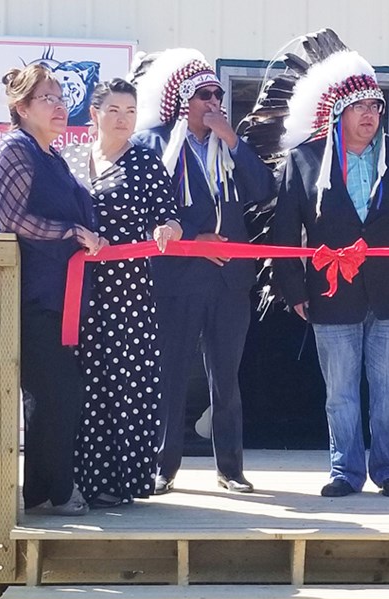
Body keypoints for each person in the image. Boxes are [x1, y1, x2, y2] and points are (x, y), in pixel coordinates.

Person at [272, 50, 389, 498]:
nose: (369, 115)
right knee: (340, 392)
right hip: (329, 291)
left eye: (375, 106)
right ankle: (345, 472)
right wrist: (295, 288)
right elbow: (286, 231)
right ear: (339, 112)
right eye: (359, 106)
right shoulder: (305, 159)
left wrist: (388, 260)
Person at [130, 49, 273, 494]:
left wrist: (232, 139)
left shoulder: (230, 141)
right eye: (204, 95)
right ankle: (163, 466)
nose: (215, 101)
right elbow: (148, 209)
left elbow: (264, 189)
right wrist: (195, 240)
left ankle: (230, 468)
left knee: (226, 377)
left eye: (218, 94)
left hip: (230, 278)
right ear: (181, 102)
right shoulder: (152, 143)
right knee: (170, 372)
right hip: (177, 277)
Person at [0, 64, 108, 516]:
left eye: (61, 98)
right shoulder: (15, 151)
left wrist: (91, 234)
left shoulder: (52, 154)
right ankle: (56, 490)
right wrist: (72, 232)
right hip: (29, 295)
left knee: (52, 393)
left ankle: (39, 491)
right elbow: (12, 218)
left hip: (61, 294)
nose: (60, 106)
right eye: (48, 99)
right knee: (60, 390)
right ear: (21, 108)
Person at [61, 79, 183, 508]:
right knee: (80, 384)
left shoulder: (147, 162)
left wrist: (167, 229)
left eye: (130, 111)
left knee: (126, 384)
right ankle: (75, 481)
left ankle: (123, 480)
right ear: (93, 114)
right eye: (114, 110)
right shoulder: (70, 158)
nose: (122, 119)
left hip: (127, 291)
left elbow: (170, 216)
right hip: (76, 290)